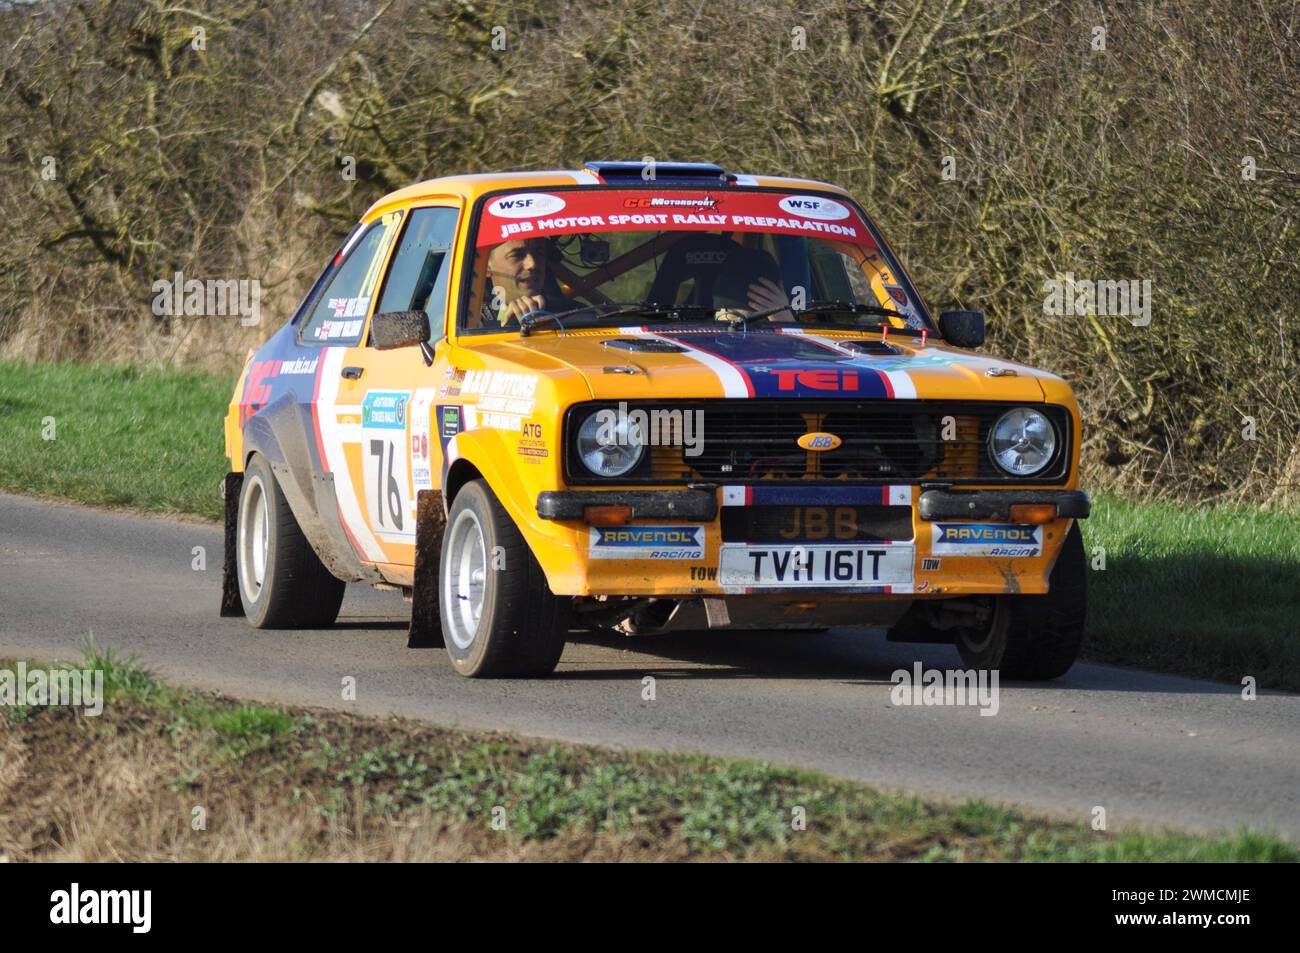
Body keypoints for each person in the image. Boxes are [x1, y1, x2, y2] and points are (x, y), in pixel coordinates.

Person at [482, 237, 577, 327]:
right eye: (517, 255)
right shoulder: (472, 322)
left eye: (539, 253)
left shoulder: (579, 314)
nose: (532, 264)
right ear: (486, 266)